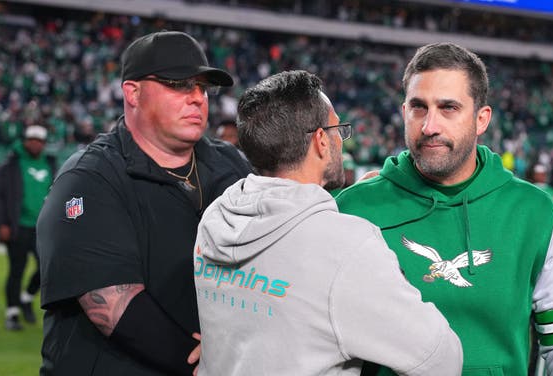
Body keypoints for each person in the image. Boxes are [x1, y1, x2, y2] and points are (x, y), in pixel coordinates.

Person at [335, 42, 553, 375]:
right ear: (404, 111)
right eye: (419, 107)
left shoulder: (534, 213)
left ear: (481, 119)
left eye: (448, 108)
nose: (429, 125)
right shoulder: (353, 209)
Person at [194, 70, 463, 375]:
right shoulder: (346, 246)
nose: (340, 140)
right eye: (338, 129)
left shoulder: (214, 219)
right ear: (321, 140)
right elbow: (441, 358)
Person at [36, 30, 253, 375]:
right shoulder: (89, 177)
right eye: (179, 84)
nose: (197, 97)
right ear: (132, 92)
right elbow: (113, 304)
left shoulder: (234, 166)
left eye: (202, 87)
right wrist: (205, 366)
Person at [0, 125, 55, 331]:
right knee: (16, 270)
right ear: (25, 140)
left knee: (47, 269)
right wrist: (0, 223)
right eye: (32, 139)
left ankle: (27, 298)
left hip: (43, 228)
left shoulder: (50, 165)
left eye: (39, 140)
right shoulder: (10, 166)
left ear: (44, 144)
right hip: (18, 226)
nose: (35, 143)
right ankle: (12, 314)